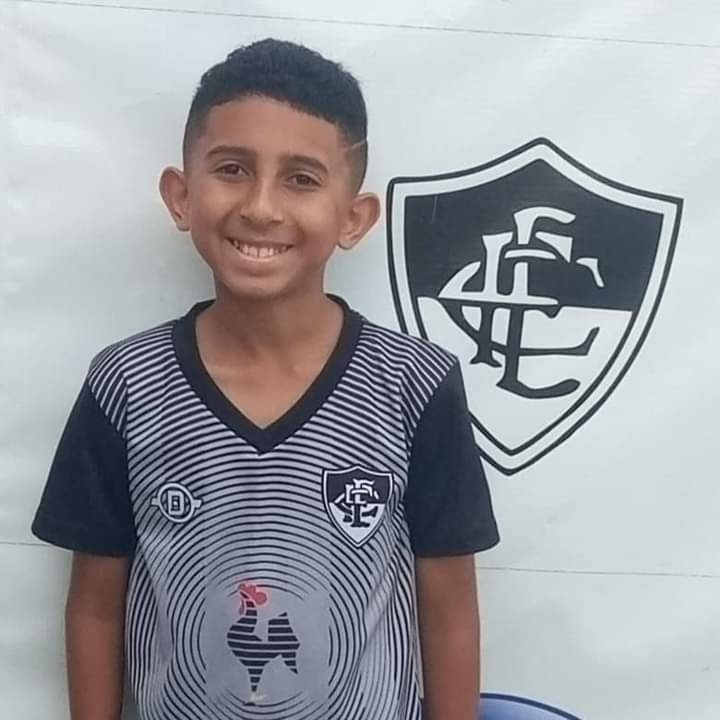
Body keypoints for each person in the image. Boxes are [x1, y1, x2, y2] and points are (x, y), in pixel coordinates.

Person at [32, 38, 499, 720]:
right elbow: (96, 607)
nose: (261, 207)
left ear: (354, 218)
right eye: (232, 169)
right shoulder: (125, 384)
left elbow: (450, 610)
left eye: (301, 179)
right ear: (181, 196)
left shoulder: (415, 385)